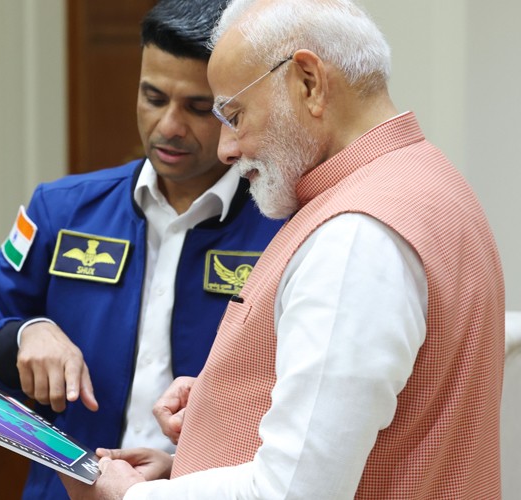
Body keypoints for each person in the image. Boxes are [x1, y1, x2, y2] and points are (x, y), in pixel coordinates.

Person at [64, 0, 506, 498]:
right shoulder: (424, 178)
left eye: (234, 114)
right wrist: (217, 413)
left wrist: (130, 496)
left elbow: (292, 492)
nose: (227, 149)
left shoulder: (355, 235)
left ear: (309, 84)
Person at [0, 0, 284, 498]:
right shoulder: (60, 210)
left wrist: (182, 465)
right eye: (153, 96)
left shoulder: (283, 227)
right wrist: (21, 338)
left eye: (198, 107)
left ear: (236, 107)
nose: (168, 126)